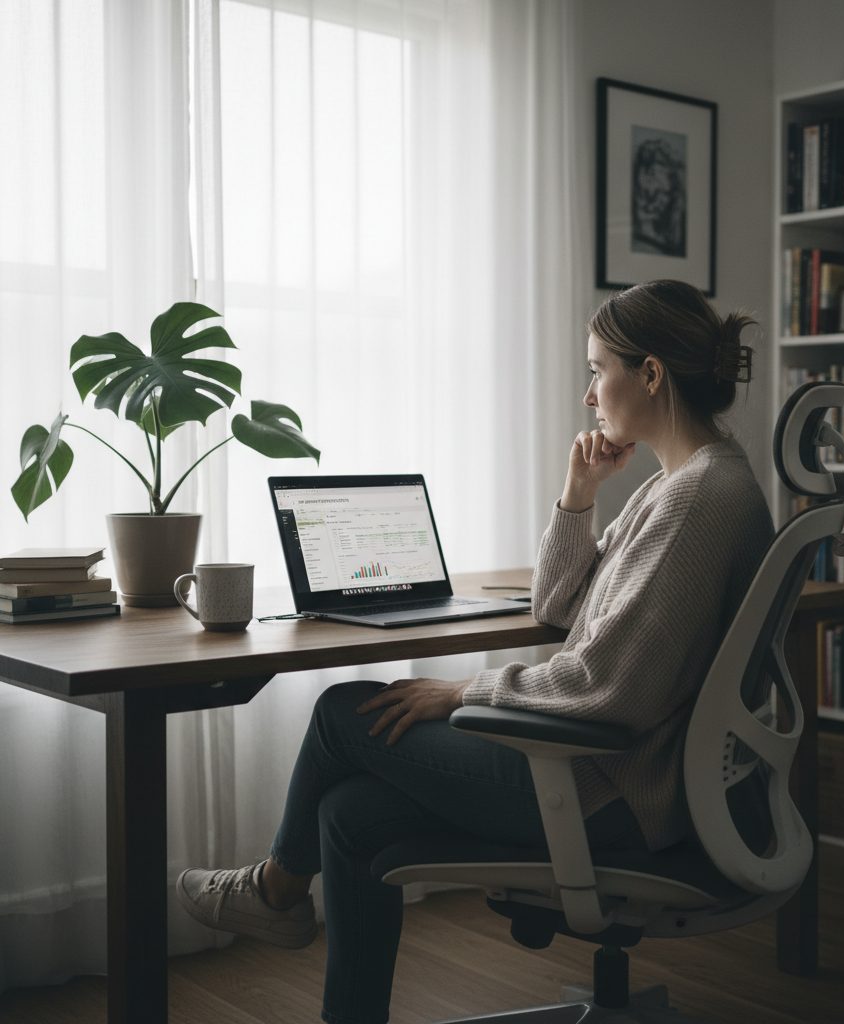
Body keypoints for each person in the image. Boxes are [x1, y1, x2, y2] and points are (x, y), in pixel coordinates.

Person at [176, 279, 776, 1024]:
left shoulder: (693, 500)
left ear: (650, 374)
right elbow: (559, 608)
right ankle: (297, 927)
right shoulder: (686, 483)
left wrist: (463, 692)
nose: (591, 395)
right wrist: (579, 494)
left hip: (608, 789)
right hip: (614, 772)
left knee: (341, 714)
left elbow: (608, 684)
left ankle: (272, 891)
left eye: (598, 370)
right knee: (350, 813)